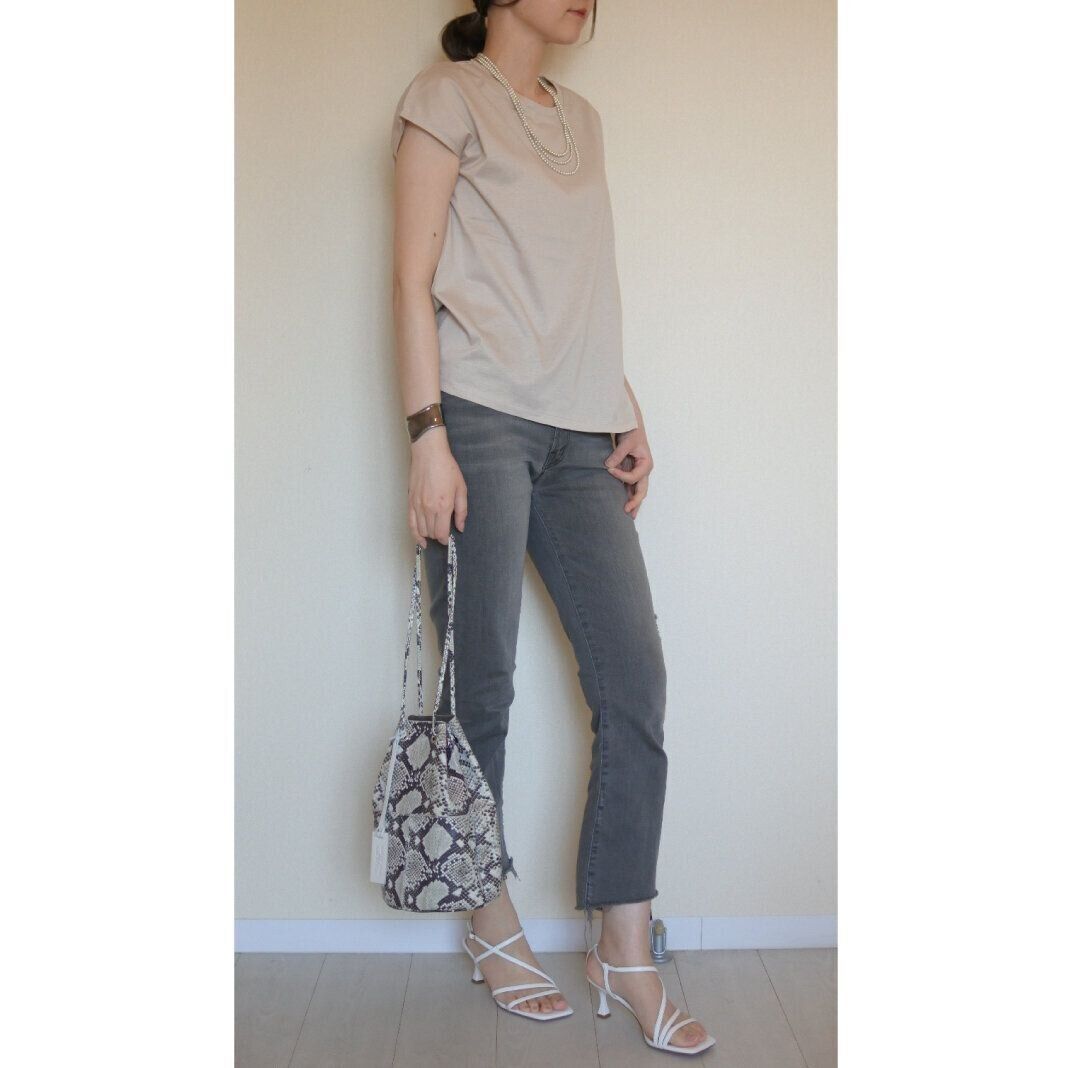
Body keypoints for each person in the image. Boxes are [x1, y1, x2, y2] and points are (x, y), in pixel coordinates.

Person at [390, 0, 713, 1054]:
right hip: (478, 418)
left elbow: (578, 292)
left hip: (586, 432)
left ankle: (623, 944)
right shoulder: (445, 96)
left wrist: (627, 405)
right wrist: (426, 436)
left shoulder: (585, 120)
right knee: (479, 680)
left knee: (634, 682)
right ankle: (489, 918)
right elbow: (410, 277)